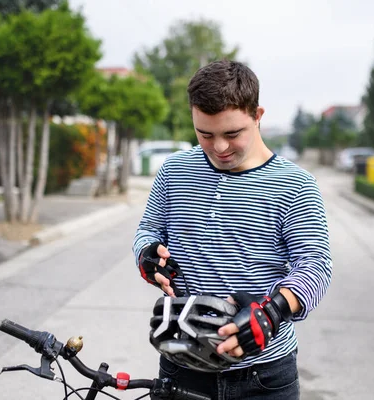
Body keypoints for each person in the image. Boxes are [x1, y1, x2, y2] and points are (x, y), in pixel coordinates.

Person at [133, 60, 332, 400]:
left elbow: (315, 266)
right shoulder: (174, 171)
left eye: (232, 133)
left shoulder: (296, 185)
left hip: (264, 375)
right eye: (205, 134)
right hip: (182, 360)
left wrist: (272, 313)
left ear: (258, 116)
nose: (219, 148)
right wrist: (148, 255)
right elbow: (148, 230)